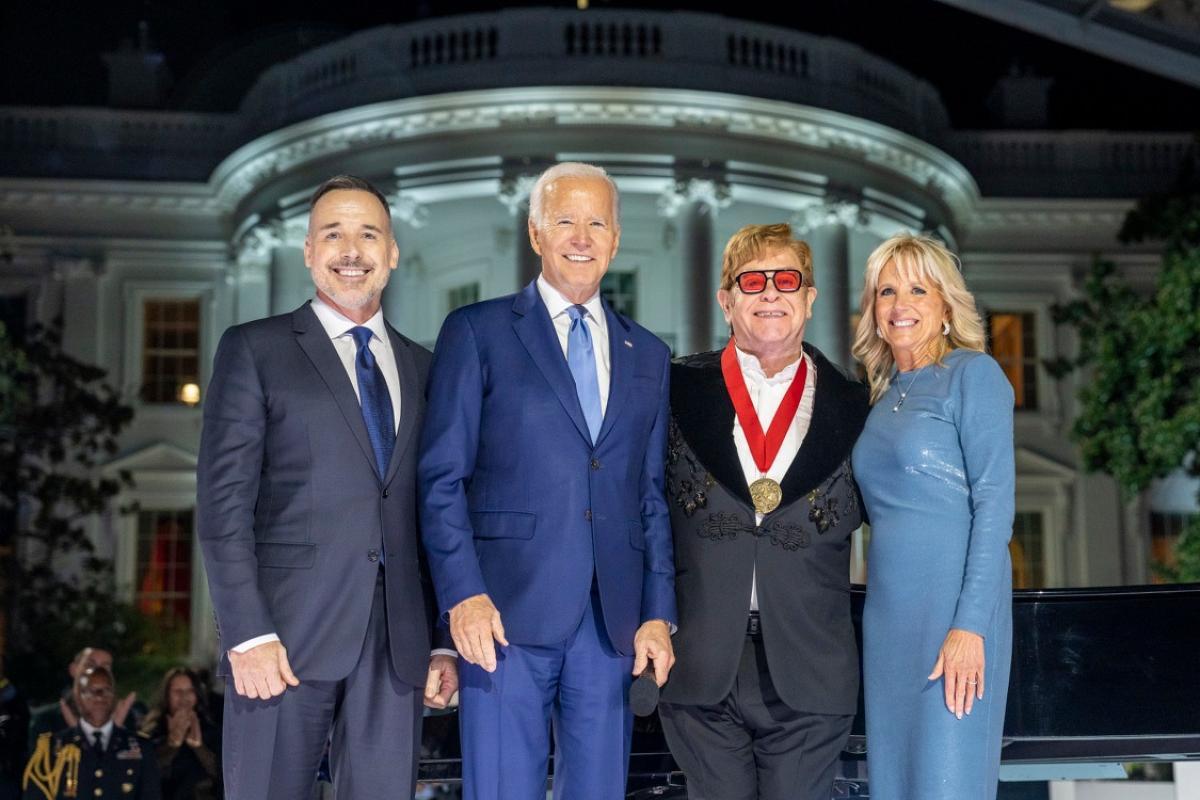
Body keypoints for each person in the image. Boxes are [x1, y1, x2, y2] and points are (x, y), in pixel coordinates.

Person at [419, 161, 677, 800]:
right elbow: (442, 478)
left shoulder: (649, 353)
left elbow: (651, 493)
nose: (582, 237)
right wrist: (462, 596)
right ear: (536, 234)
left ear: (616, 239)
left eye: (597, 222)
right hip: (501, 618)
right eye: (565, 220)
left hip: (610, 625)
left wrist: (657, 613)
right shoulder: (476, 331)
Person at [196, 174, 457, 800]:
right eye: (333, 234)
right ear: (308, 252)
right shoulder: (253, 349)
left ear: (392, 253)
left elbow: (437, 510)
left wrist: (443, 641)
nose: (351, 250)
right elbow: (222, 505)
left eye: (368, 234)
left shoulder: (425, 367)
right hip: (281, 643)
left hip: (396, 648)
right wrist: (247, 633)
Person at [657, 223, 868, 800]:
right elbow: (640, 513)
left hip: (813, 668)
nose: (770, 292)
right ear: (726, 301)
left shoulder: (856, 405)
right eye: (752, 281)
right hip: (699, 667)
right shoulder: (673, 388)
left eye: (786, 280)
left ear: (809, 297)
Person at [850, 233, 1014, 799]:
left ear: (946, 305)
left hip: (953, 617)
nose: (900, 305)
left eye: (918, 289)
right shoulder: (882, 395)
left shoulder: (975, 374)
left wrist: (970, 626)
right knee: (892, 787)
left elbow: (996, 506)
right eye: (887, 290)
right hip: (887, 620)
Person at [21, 667, 160, 800]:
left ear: (115, 696)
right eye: (91, 691)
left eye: (106, 690)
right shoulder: (51, 748)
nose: (99, 697)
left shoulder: (141, 748)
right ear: (78, 698)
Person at [27, 647, 138, 752]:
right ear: (73, 670)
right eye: (90, 665)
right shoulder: (46, 720)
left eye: (105, 667)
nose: (98, 671)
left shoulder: (125, 718)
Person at [138, 668, 221, 800]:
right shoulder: (151, 732)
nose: (184, 698)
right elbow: (144, 775)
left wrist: (199, 748)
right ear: (166, 696)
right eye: (178, 692)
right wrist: (171, 745)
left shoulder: (212, 731)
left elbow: (223, 777)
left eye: (190, 691)